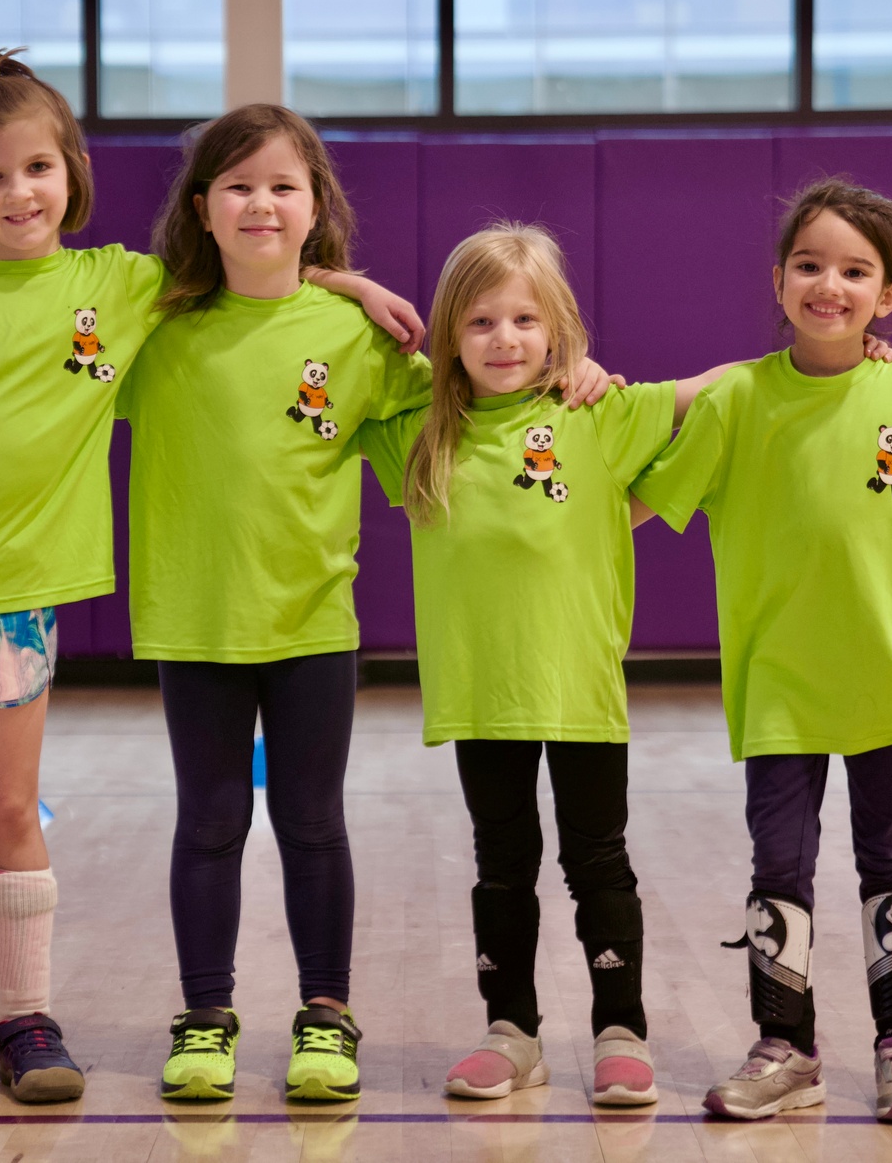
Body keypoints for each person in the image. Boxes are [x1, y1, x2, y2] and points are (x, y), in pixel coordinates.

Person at [0, 53, 414, 1123]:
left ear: (72, 170)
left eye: (36, 168)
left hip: (89, 598)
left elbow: (261, 270)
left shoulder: (132, 290)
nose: (18, 193)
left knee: (31, 806)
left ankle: (41, 1017)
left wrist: (348, 281)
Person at [114, 108, 619, 1104]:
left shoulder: (358, 338)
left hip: (310, 625)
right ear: (202, 208)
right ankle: (206, 1016)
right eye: (237, 185)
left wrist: (573, 368)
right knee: (208, 821)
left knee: (311, 823)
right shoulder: (154, 326)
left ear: (315, 207)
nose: (261, 202)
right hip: (194, 620)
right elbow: (48, 317)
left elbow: (479, 394)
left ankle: (324, 1014)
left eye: (282, 185)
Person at [360, 222, 892, 1108]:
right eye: (482, 322)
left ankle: (620, 1029)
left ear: (559, 330)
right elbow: (344, 366)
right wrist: (351, 284)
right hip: (479, 694)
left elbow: (722, 386)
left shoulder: (596, 413)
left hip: (582, 695)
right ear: (450, 332)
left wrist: (844, 347)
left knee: (597, 861)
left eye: (527, 320)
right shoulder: (419, 430)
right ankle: (512, 1030)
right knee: (502, 863)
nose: (505, 340)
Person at [630, 176, 892, 1124]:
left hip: (888, 671)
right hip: (779, 685)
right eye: (809, 265)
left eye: (854, 270)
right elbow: (636, 504)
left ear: (889, 296)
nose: (828, 284)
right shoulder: (736, 400)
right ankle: (786, 1049)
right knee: (780, 868)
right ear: (778, 278)